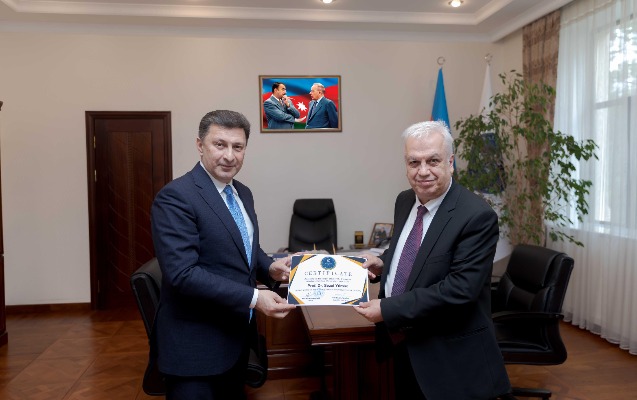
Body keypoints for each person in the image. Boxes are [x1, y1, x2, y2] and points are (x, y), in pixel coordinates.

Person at [354, 121, 511, 400]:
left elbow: (460, 289)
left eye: (433, 161)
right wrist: (384, 262)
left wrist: (388, 308)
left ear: (451, 162)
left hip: (450, 358)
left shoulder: (476, 216)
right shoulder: (405, 200)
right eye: (414, 162)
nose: (423, 171)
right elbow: (419, 250)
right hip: (401, 343)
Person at [150, 109, 296, 400]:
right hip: (195, 349)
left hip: (235, 340)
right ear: (200, 145)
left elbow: (245, 249)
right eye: (220, 144)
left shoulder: (242, 192)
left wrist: (270, 268)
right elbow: (183, 274)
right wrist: (255, 298)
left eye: (237, 147)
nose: (229, 156)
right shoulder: (176, 196)